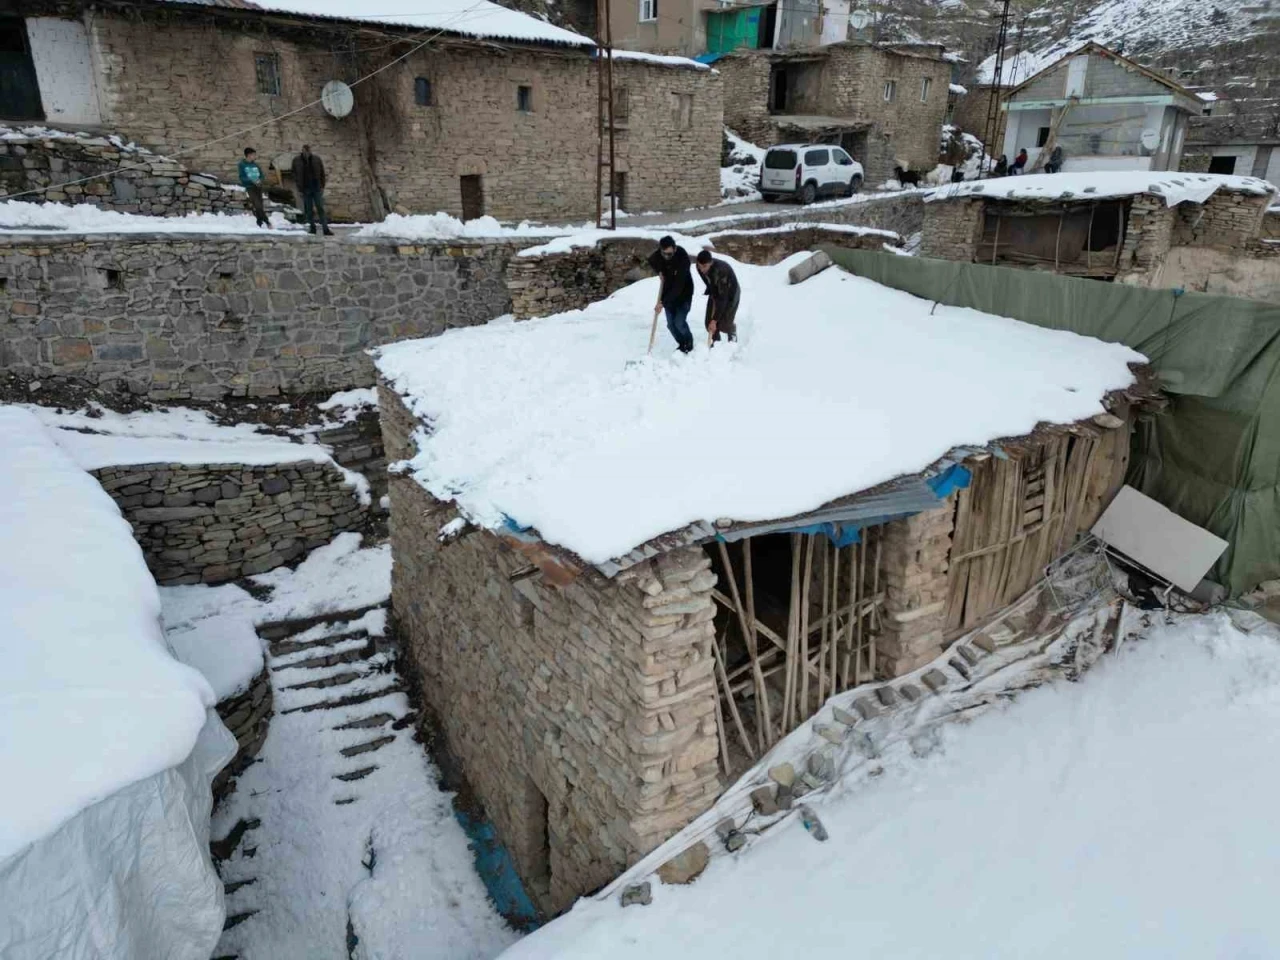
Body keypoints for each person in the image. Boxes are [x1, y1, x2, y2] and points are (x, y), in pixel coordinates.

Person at [647, 236, 694, 354]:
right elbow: (652, 260)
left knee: (679, 322)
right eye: (664, 254)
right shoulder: (661, 253)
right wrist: (659, 271)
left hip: (683, 293)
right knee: (671, 325)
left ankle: (688, 343)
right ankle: (682, 344)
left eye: (669, 254)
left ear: (675, 248)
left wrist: (662, 303)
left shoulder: (682, 257)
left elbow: (678, 285)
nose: (667, 257)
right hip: (667, 292)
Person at [695, 250, 740, 346]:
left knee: (724, 323)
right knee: (708, 323)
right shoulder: (699, 267)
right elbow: (708, 280)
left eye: (704, 266)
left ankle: (732, 332)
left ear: (710, 263)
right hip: (716, 290)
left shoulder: (721, 271)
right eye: (700, 266)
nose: (702, 269)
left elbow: (723, 299)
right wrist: (712, 290)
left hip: (731, 292)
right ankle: (716, 343)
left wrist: (714, 320)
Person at [290, 144, 332, 236]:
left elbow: (322, 172)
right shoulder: (297, 160)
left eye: (308, 151)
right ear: (302, 151)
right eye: (305, 151)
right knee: (308, 209)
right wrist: (299, 186)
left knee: (320, 207)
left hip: (316, 187)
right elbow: (293, 173)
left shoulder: (316, 159)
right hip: (305, 188)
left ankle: (325, 229)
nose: (307, 153)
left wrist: (322, 185)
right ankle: (312, 228)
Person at [238, 147, 271, 228]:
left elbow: (261, 175)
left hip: (258, 186)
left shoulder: (256, 165)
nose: (255, 156)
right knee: (258, 205)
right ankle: (267, 222)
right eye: (253, 155)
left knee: (259, 205)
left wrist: (260, 180)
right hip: (250, 187)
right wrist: (252, 181)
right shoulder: (241, 165)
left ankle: (259, 222)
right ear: (248, 155)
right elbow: (242, 177)